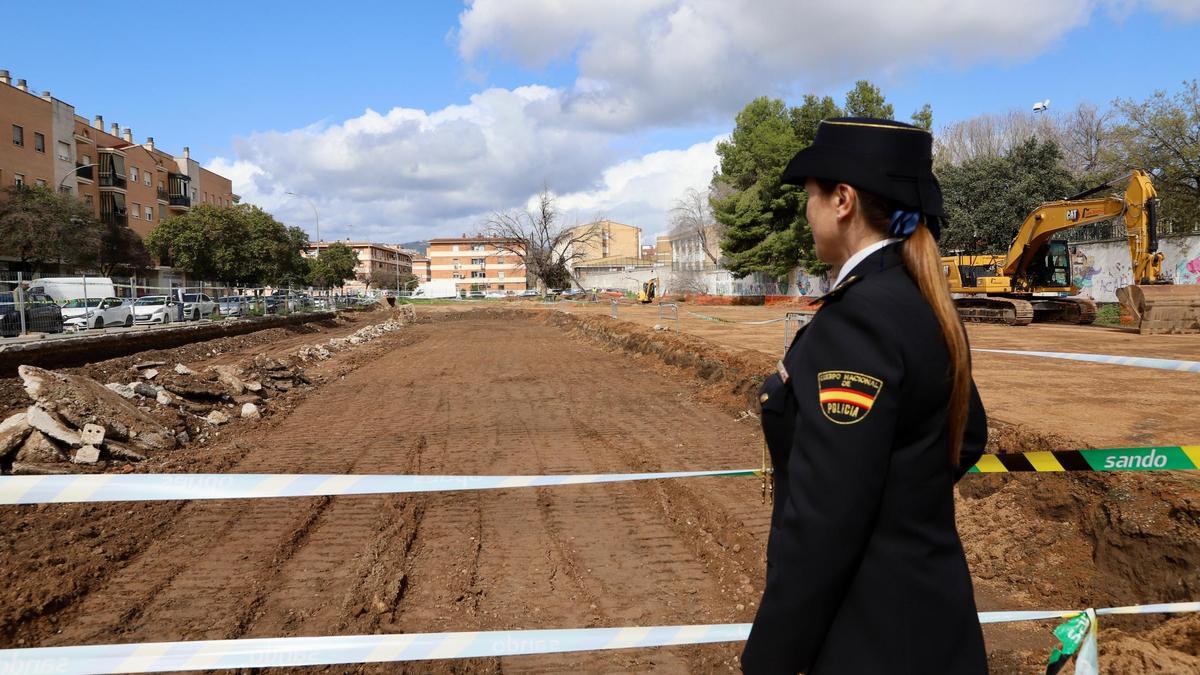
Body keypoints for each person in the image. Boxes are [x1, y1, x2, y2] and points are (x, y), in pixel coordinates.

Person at [741, 118, 988, 674]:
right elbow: (966, 437)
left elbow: (825, 519)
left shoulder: (857, 320)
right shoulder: (921, 300)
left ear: (843, 201)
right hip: (933, 619)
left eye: (811, 197)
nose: (807, 213)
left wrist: (770, 657)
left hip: (866, 636)